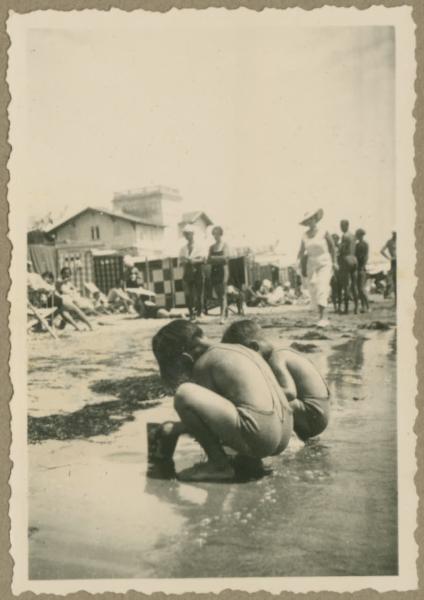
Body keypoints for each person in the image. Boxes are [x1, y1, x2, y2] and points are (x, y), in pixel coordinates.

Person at [150, 319, 293, 481]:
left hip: (263, 439)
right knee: (243, 405)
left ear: (185, 358)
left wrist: (174, 429)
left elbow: (209, 423)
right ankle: (249, 459)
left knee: (184, 394)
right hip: (283, 434)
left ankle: (218, 465)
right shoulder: (238, 348)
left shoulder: (204, 363)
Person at [222, 320, 330, 442]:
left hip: (313, 416)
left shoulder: (276, 358)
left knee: (263, 402)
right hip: (318, 414)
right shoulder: (281, 351)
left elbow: (290, 393)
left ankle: (288, 439)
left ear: (254, 347)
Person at [297, 208, 337, 327]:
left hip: (324, 261)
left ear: (315, 219)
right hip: (311, 263)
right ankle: (320, 315)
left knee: (322, 287)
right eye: (307, 220)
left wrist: (334, 262)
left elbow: (333, 247)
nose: (310, 222)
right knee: (313, 289)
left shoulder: (324, 231)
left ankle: (324, 317)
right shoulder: (304, 235)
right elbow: (301, 251)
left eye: (311, 219)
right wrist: (298, 262)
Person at [179, 225, 206, 322]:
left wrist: (193, 261)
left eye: (189, 234)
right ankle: (191, 313)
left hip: (198, 271)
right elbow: (180, 261)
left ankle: (199, 312)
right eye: (186, 234)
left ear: (193, 234)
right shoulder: (183, 248)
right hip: (187, 272)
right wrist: (185, 261)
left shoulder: (200, 246)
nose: (187, 236)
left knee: (199, 294)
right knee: (188, 294)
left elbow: (203, 259)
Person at [208, 226, 230, 324]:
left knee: (223, 294)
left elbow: (225, 258)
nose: (215, 236)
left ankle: (222, 316)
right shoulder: (211, 247)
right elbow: (208, 260)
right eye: (214, 234)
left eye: (217, 233)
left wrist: (214, 258)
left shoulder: (225, 245)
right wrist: (217, 259)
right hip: (214, 271)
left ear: (221, 234)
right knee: (218, 294)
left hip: (223, 271)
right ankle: (226, 313)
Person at [339, 220, 358, 314]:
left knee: (346, 285)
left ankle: (346, 309)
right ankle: (356, 308)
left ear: (346, 225)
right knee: (354, 285)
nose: (340, 227)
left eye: (341, 225)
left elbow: (342, 249)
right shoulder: (353, 236)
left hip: (346, 259)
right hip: (354, 259)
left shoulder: (344, 236)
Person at [355, 228, 369, 313]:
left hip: (361, 268)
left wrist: (362, 266)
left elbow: (365, 257)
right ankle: (364, 306)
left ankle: (367, 306)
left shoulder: (363, 244)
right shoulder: (358, 244)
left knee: (361, 288)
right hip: (359, 267)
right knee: (359, 288)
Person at [381, 231, 397, 303]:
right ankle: (396, 301)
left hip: (399, 261)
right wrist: (389, 258)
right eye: (394, 234)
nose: (395, 235)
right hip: (394, 261)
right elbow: (382, 251)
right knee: (395, 280)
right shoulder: (390, 242)